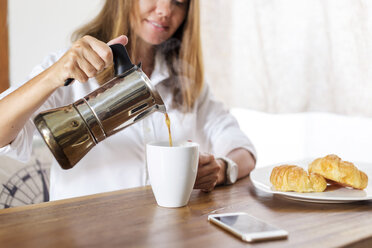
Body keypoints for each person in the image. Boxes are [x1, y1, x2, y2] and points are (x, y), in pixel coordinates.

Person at [0, 0, 256, 201]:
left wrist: (222, 169)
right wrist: (53, 75)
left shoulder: (186, 82)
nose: (165, 10)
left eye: (179, 1)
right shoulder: (70, 70)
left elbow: (243, 149)